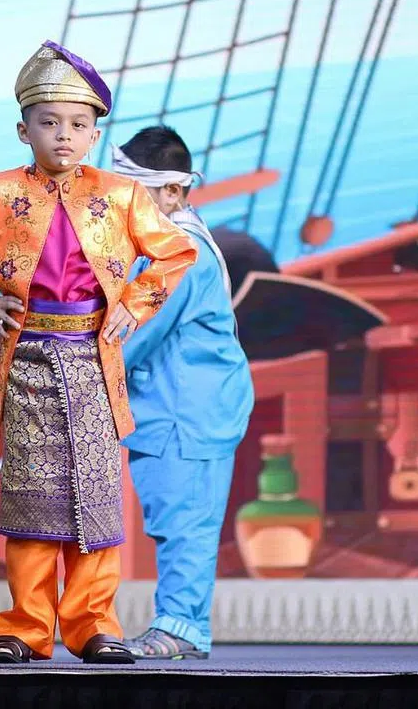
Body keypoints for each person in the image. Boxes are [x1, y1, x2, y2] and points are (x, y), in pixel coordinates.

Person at [0, 42, 197, 664]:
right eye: (49, 122)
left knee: (96, 500)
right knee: (32, 500)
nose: (63, 135)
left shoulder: (123, 196)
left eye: (77, 124)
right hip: (30, 361)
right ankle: (24, 627)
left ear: (95, 134)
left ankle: (94, 625)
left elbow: (176, 251)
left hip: (95, 359)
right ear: (24, 130)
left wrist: (136, 301)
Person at [111, 126, 254, 659]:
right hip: (171, 406)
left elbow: (135, 336)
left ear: (172, 192)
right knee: (175, 519)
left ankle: (181, 629)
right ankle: (178, 624)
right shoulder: (165, 246)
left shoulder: (181, 254)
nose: (119, 204)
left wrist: (72, 380)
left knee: (185, 524)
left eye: (134, 193)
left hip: (187, 411)